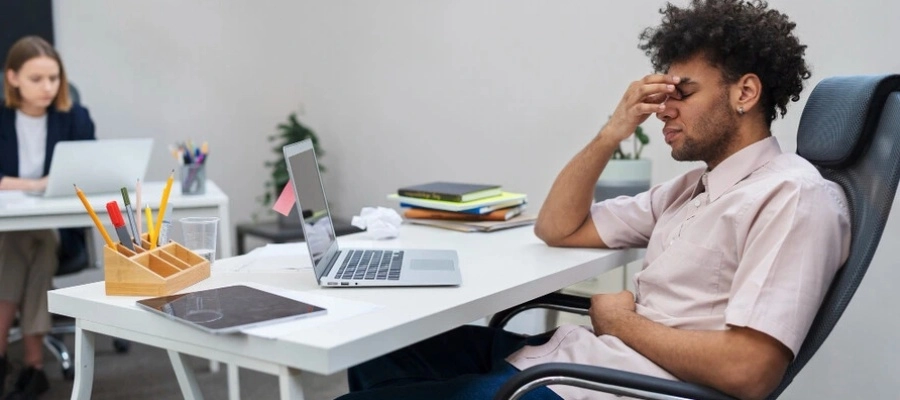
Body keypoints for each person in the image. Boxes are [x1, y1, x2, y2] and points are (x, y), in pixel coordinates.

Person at [338, 1, 851, 399]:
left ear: (745, 93)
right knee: (382, 351)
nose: (664, 110)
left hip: (613, 387)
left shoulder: (791, 195)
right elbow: (557, 228)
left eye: (684, 93)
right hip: (580, 360)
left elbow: (751, 372)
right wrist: (613, 131)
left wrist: (622, 322)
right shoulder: (694, 188)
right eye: (664, 95)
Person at [0, 36, 95, 399]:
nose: (48, 87)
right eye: (36, 79)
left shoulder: (74, 118)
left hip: (58, 231)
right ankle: (34, 366)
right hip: (6, 230)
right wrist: (36, 184)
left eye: (54, 78)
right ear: (13, 78)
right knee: (25, 242)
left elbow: (89, 170)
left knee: (32, 241)